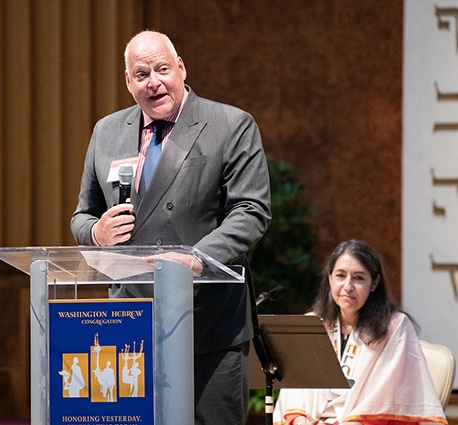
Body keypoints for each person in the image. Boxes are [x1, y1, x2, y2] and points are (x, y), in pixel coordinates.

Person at [70, 30, 271, 424]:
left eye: (162, 69)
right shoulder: (105, 131)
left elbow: (251, 210)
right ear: (128, 82)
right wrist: (96, 233)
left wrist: (197, 259)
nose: (153, 81)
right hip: (130, 320)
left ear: (181, 68)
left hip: (208, 324)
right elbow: (82, 215)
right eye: (141, 74)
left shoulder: (230, 124)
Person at [273, 239, 447, 425]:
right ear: (330, 279)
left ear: (374, 283)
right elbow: (294, 395)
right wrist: (301, 421)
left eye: (358, 278)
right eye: (341, 276)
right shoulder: (312, 324)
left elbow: (385, 399)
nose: (348, 286)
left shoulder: (395, 327)